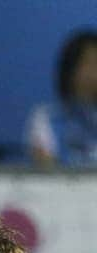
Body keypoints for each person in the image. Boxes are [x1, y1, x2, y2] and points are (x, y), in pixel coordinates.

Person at [25, 29, 97, 166]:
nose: (92, 72)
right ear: (70, 68)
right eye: (86, 64)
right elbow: (46, 169)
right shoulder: (46, 118)